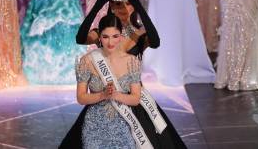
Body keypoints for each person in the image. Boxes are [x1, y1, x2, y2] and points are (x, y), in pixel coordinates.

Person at [60, 15, 187, 148]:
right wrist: (103, 95)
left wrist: (116, 95)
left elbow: (135, 98)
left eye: (115, 36)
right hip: (95, 125)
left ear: (121, 36)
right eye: (105, 36)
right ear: (100, 37)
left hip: (124, 124)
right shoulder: (87, 61)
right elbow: (81, 98)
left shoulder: (131, 62)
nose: (110, 42)